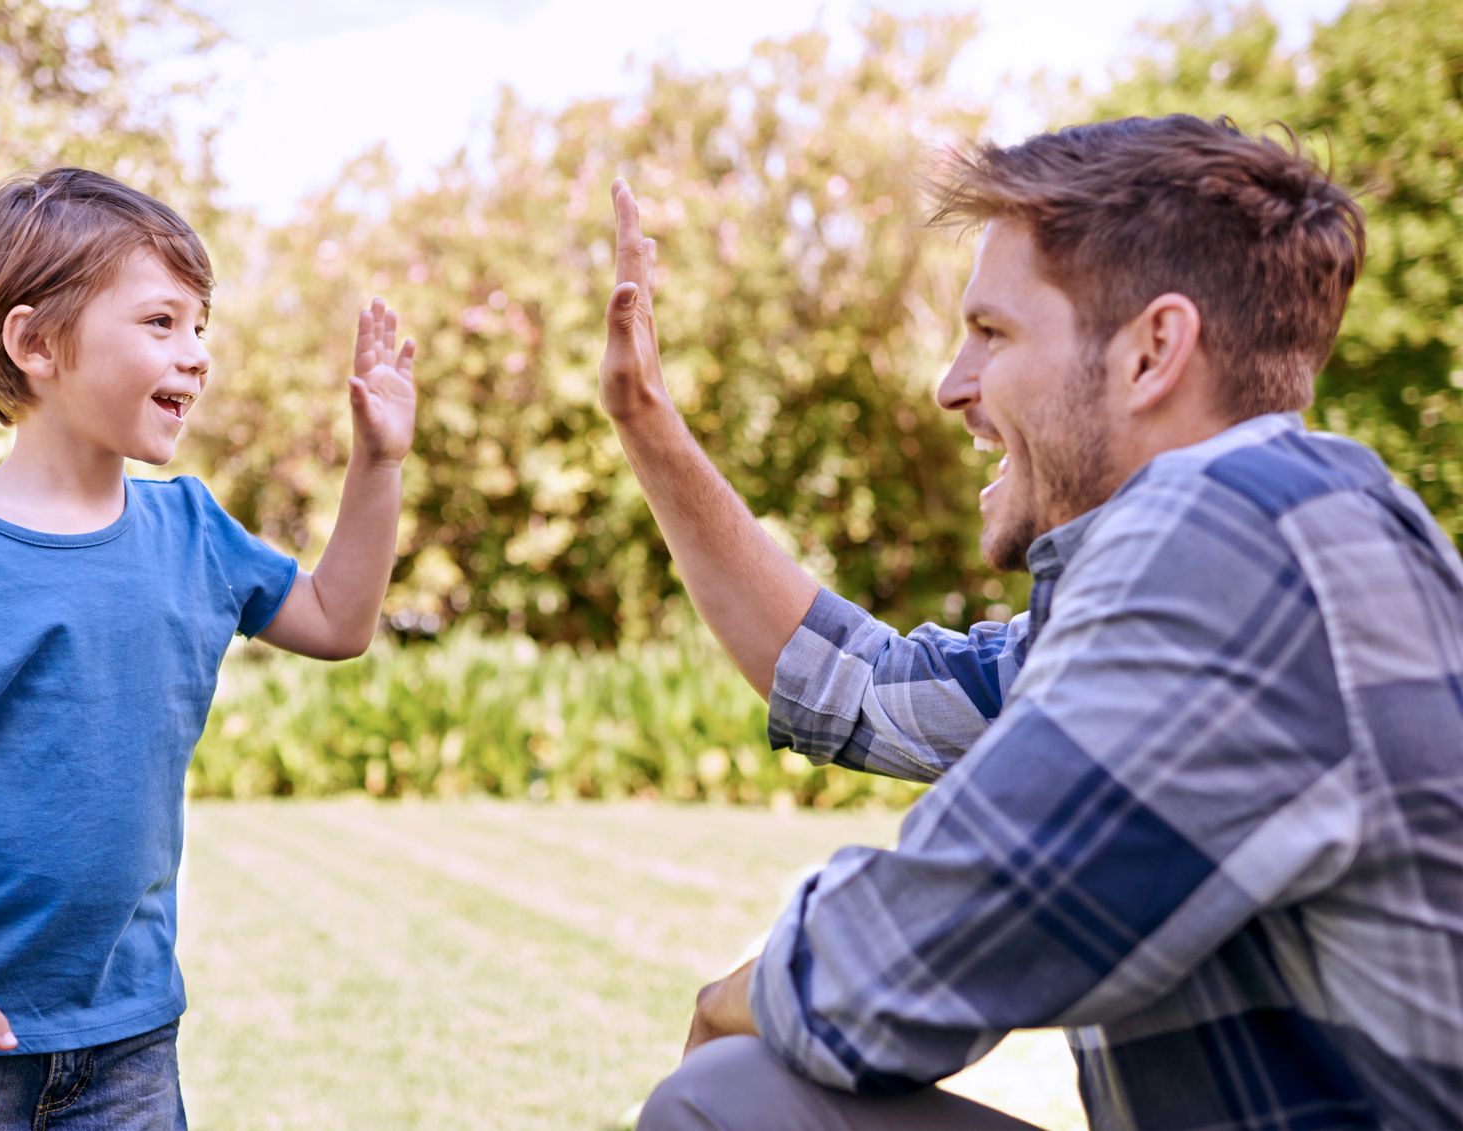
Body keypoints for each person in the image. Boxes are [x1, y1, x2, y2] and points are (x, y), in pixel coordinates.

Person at [599, 115, 1463, 1129]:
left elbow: (916, 954)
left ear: (1151, 353)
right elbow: (855, 686)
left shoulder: (1236, 540)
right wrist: (645, 420)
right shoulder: (1253, 542)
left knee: (733, 1100)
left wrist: (734, 996)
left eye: (992, 333)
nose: (950, 384)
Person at [0, 167, 418, 1128]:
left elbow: (338, 621)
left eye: (200, 326)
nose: (196, 354)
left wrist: (379, 463)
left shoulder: (194, 532)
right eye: (160, 323)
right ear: (35, 343)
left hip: (129, 1040)